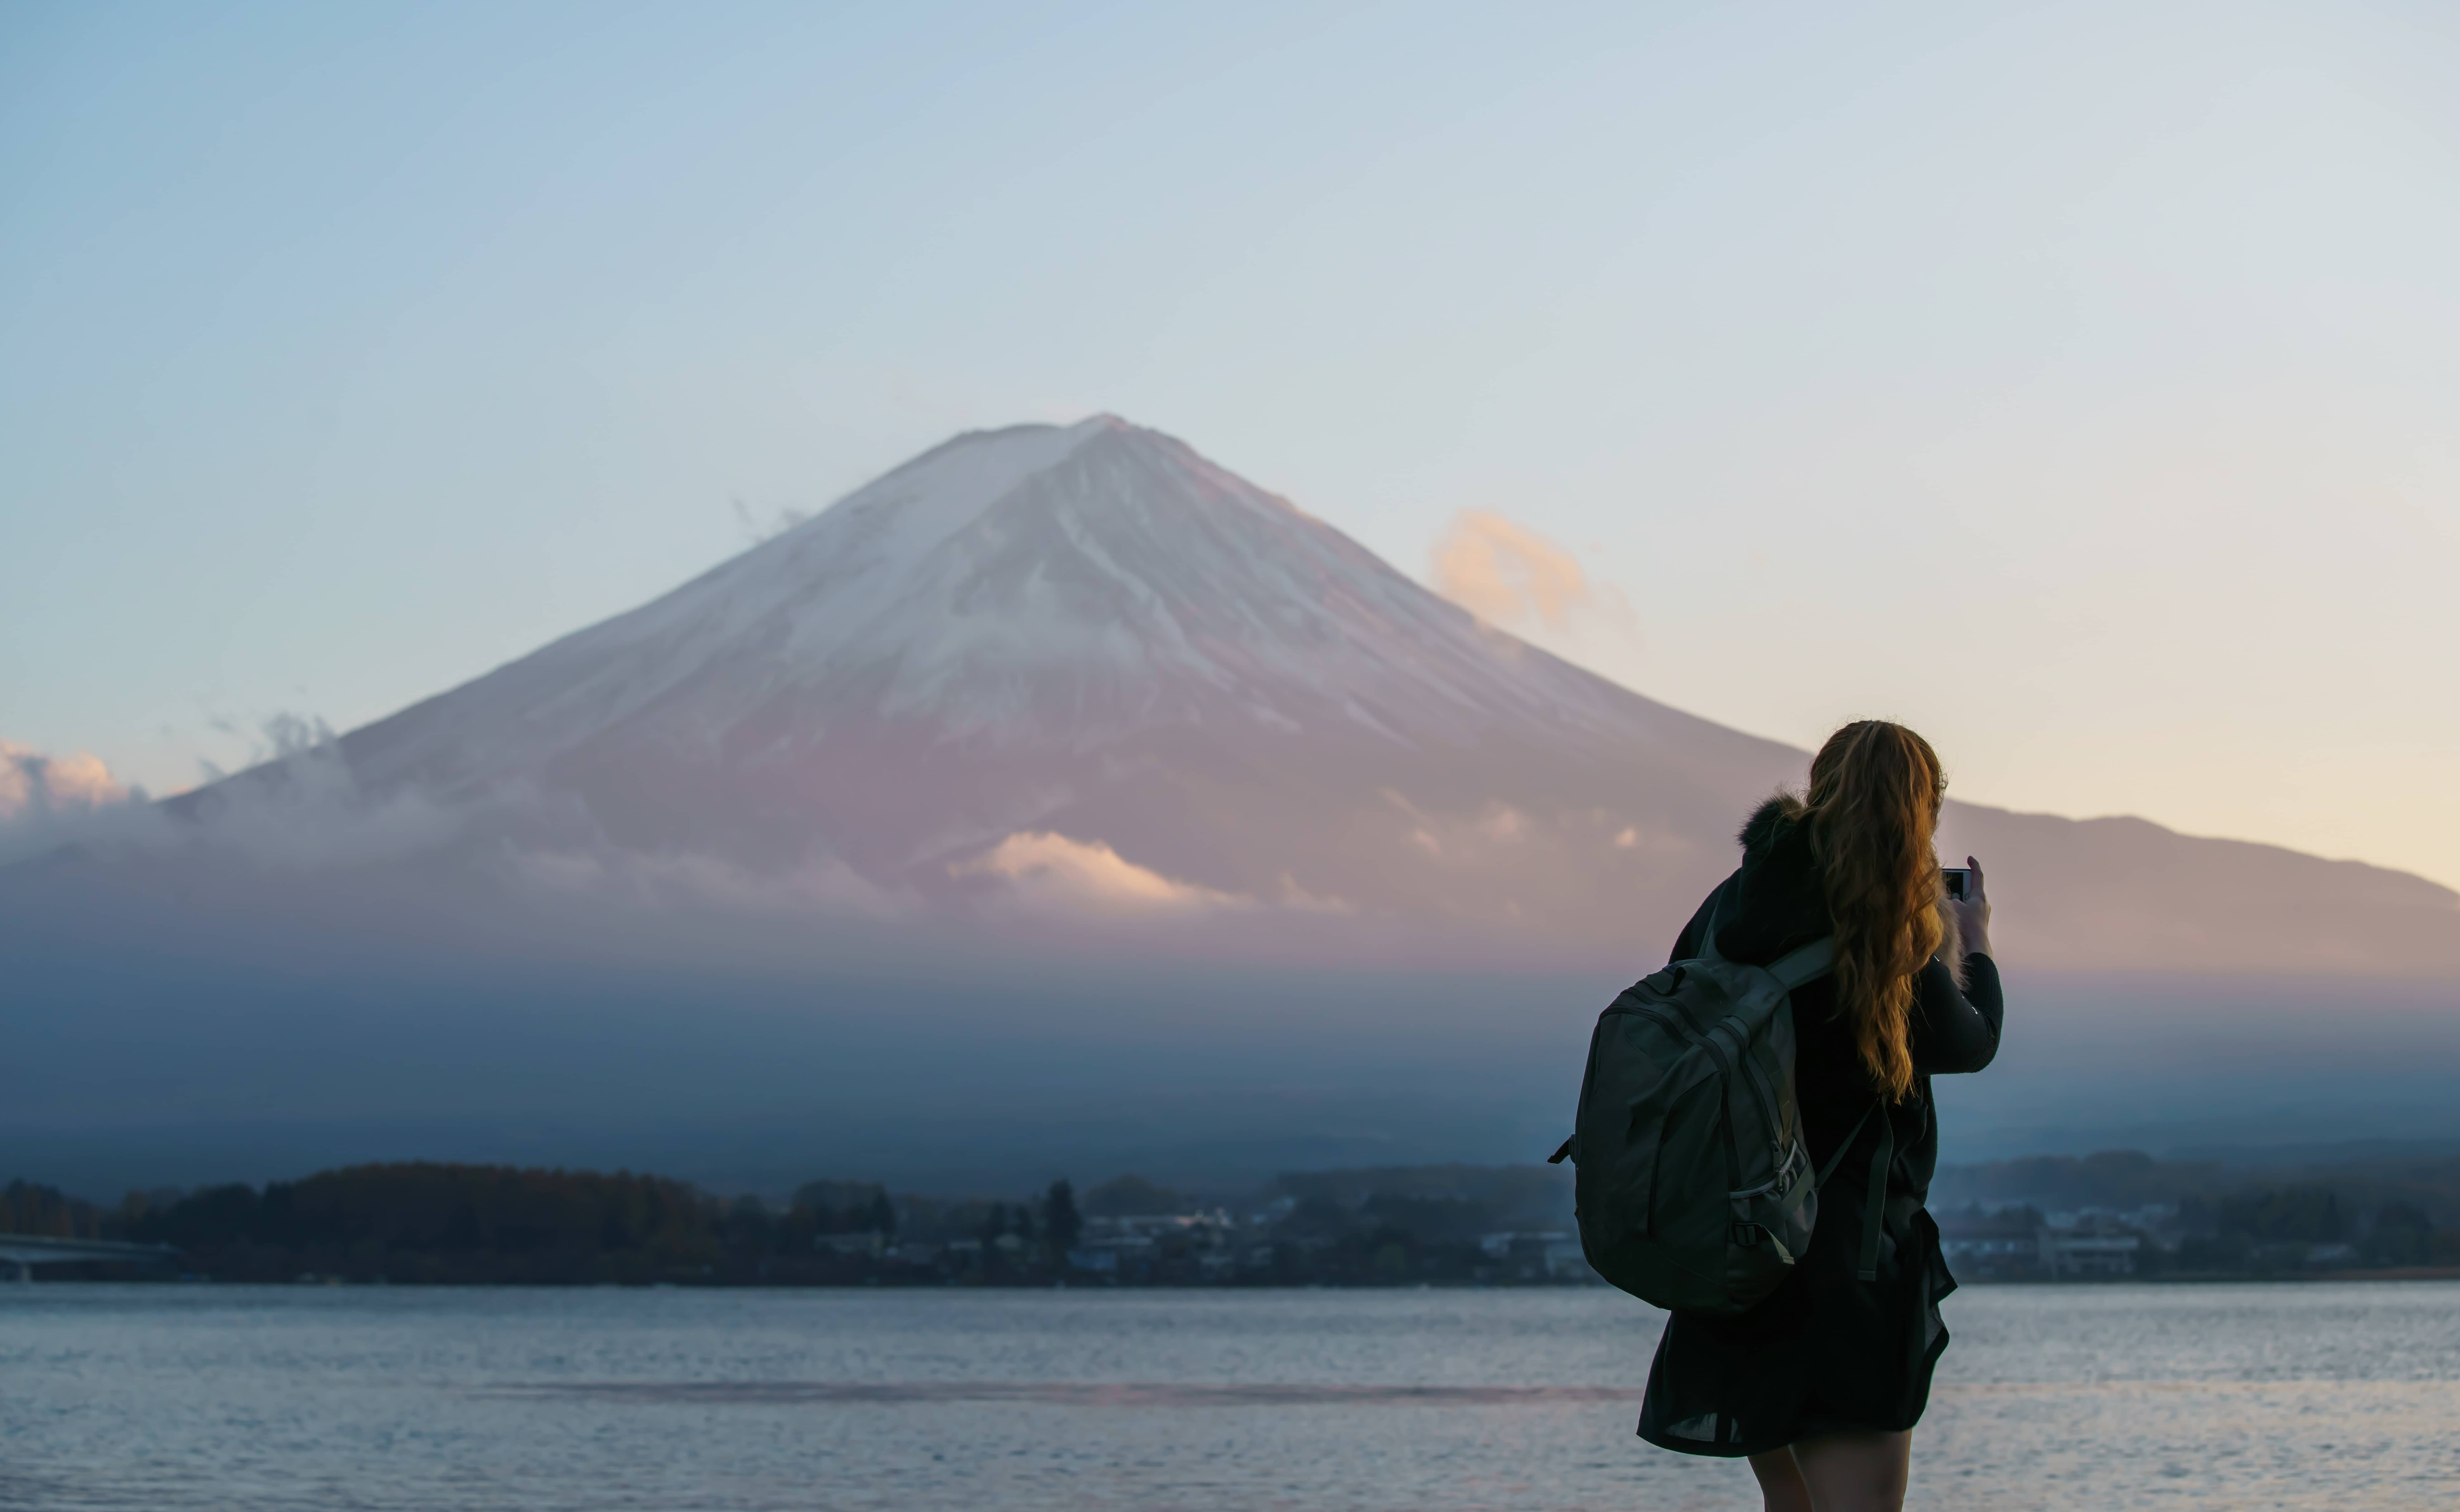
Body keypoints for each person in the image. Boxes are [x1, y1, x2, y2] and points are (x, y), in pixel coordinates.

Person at [1635, 720, 2004, 1512]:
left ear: (1819, 787)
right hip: (1850, 1269)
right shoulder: (1890, 925)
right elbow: (1967, 1044)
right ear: (1921, 811)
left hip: (1740, 1258)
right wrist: (1970, 944)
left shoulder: (1731, 908)